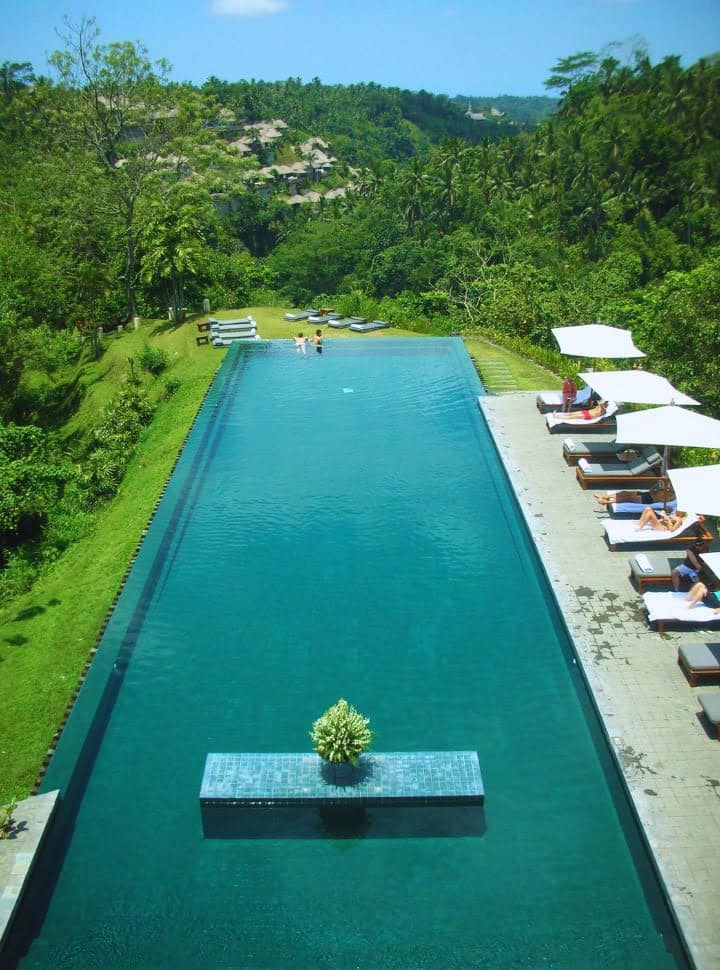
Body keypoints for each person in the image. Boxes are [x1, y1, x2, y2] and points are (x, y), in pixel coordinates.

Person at [594, 480, 675, 507]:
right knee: (625, 492)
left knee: (627, 498)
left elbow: (658, 500)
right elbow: (651, 490)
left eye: (670, 485)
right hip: (646, 494)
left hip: (648, 499)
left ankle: (607, 502)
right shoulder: (665, 490)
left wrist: (661, 492)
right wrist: (657, 485)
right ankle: (605, 496)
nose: (669, 485)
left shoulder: (672, 496)